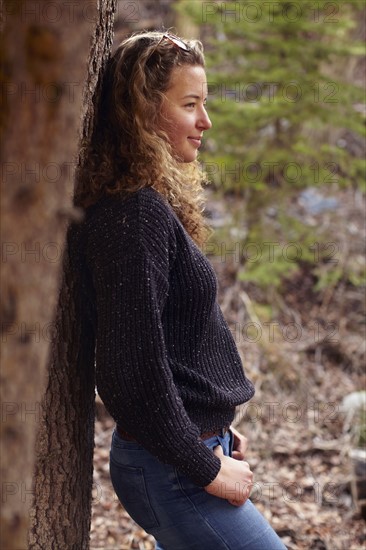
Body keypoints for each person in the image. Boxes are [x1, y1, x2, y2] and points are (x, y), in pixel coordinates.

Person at [70, 30, 287, 550]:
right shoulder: (133, 214)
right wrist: (204, 468)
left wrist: (216, 427)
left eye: (204, 104)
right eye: (190, 105)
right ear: (142, 112)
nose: (205, 122)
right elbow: (128, 370)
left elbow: (171, 339)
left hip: (179, 454)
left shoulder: (143, 205)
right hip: (174, 470)